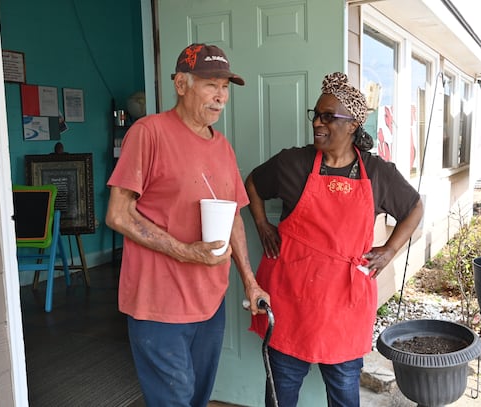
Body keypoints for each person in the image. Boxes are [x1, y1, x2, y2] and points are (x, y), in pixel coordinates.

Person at [106, 43, 269, 407]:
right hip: (158, 304)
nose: (221, 97)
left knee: (197, 397)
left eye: (225, 87)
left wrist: (251, 282)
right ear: (181, 84)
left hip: (209, 303)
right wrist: (186, 252)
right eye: (211, 85)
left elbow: (234, 218)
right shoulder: (149, 133)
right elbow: (117, 214)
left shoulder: (223, 147)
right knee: (174, 400)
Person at [247, 72, 424, 407]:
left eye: (329, 116)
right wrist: (261, 224)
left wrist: (389, 251)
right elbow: (252, 183)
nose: (318, 123)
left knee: (343, 394)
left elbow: (414, 206)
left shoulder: (376, 173)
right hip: (290, 302)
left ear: (353, 124)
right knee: (280, 393)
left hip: (344, 305)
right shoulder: (292, 163)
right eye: (316, 114)